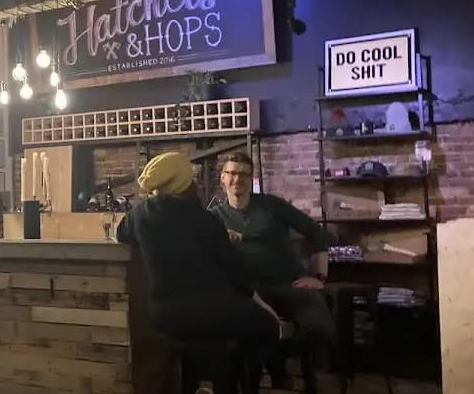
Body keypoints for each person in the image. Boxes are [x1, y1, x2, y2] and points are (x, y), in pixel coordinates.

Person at [116, 151, 281, 354]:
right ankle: (229, 381)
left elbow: (122, 234)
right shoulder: (206, 219)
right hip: (211, 311)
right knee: (265, 326)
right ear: (185, 182)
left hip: (164, 316)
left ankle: (203, 379)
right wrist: (262, 305)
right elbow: (236, 274)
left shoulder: (140, 214)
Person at [209, 153, 336, 368]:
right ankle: (269, 362)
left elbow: (318, 234)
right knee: (243, 336)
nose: (237, 179)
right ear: (222, 178)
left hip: (290, 285)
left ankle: (277, 358)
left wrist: (319, 277)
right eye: (230, 173)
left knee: (322, 329)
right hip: (252, 294)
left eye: (243, 174)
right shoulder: (214, 217)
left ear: (251, 179)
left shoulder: (272, 206)